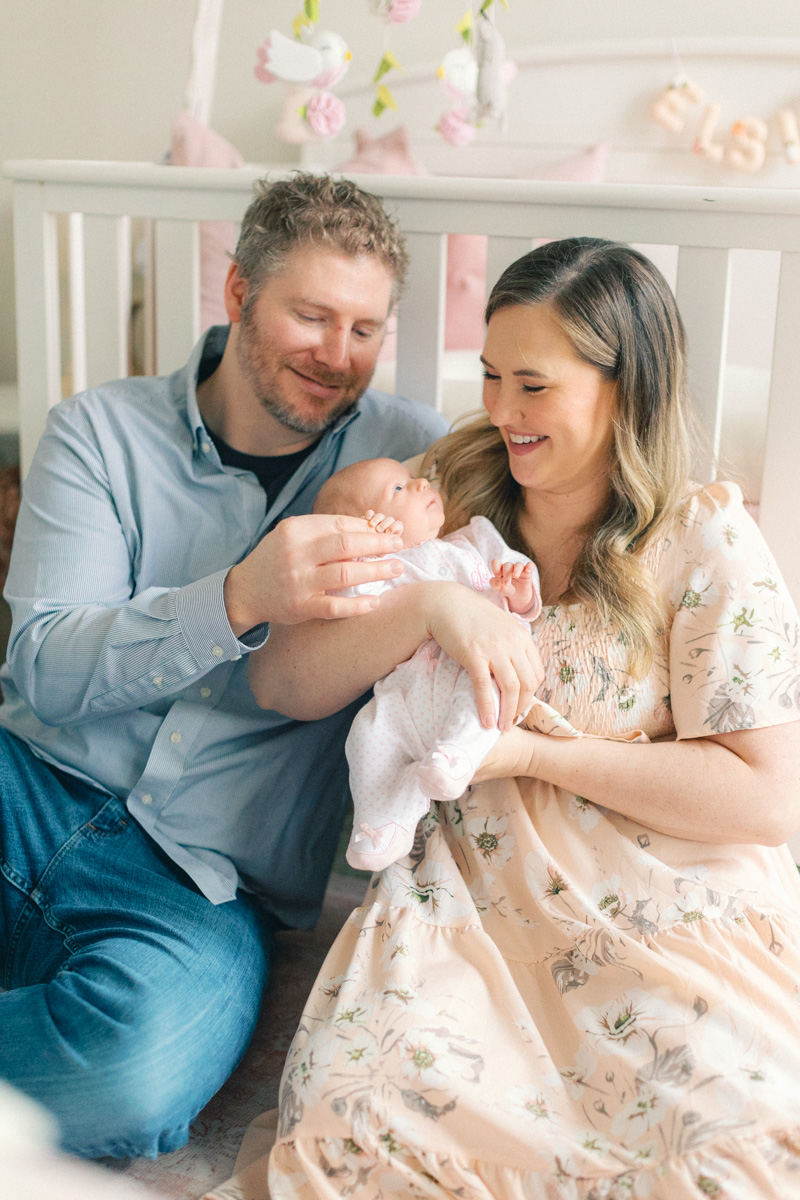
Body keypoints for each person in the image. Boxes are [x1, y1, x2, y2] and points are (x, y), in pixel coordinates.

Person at [235, 237, 800, 1199]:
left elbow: (768, 797)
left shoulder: (704, 538)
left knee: (719, 1130)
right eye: (492, 375)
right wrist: (428, 607)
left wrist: (530, 751)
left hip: (658, 902)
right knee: (367, 1132)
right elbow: (283, 682)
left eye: (533, 385)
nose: (500, 411)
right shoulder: (445, 490)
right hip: (467, 902)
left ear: (625, 389)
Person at [0, 172, 449, 1160]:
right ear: (239, 292)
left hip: (199, 886)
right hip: (24, 789)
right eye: (311, 315)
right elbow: (44, 671)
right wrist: (238, 598)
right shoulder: (100, 433)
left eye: (365, 330)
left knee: (128, 1077)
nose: (338, 358)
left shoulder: (415, 462)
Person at [312, 456, 541, 871]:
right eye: (397, 490)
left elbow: (524, 601)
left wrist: (519, 590)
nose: (419, 484)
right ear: (367, 528)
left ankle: (455, 756)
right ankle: (383, 825)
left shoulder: (473, 539)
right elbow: (352, 607)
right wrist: (366, 555)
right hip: (407, 693)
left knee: (484, 704)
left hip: (470, 672)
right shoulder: (382, 570)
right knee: (366, 735)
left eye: (413, 478)